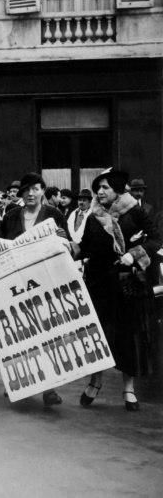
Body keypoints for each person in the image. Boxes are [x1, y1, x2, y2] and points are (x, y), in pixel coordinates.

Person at [75, 169, 160, 412]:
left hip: (128, 285)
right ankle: (95, 382)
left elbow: (156, 239)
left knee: (128, 337)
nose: (99, 192)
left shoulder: (136, 212)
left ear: (118, 190)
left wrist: (134, 255)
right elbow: (85, 248)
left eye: (105, 188)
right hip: (99, 285)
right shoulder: (94, 217)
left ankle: (128, 388)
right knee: (99, 335)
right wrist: (67, 249)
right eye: (98, 188)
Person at [0, 172, 68, 406]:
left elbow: (67, 246)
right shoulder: (10, 217)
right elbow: (0, 248)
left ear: (42, 191)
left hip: (45, 283)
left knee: (46, 333)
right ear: (21, 193)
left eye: (35, 189)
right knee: (19, 334)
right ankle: (18, 381)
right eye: (26, 190)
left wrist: (64, 240)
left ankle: (49, 387)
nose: (31, 193)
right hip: (16, 284)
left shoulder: (54, 214)